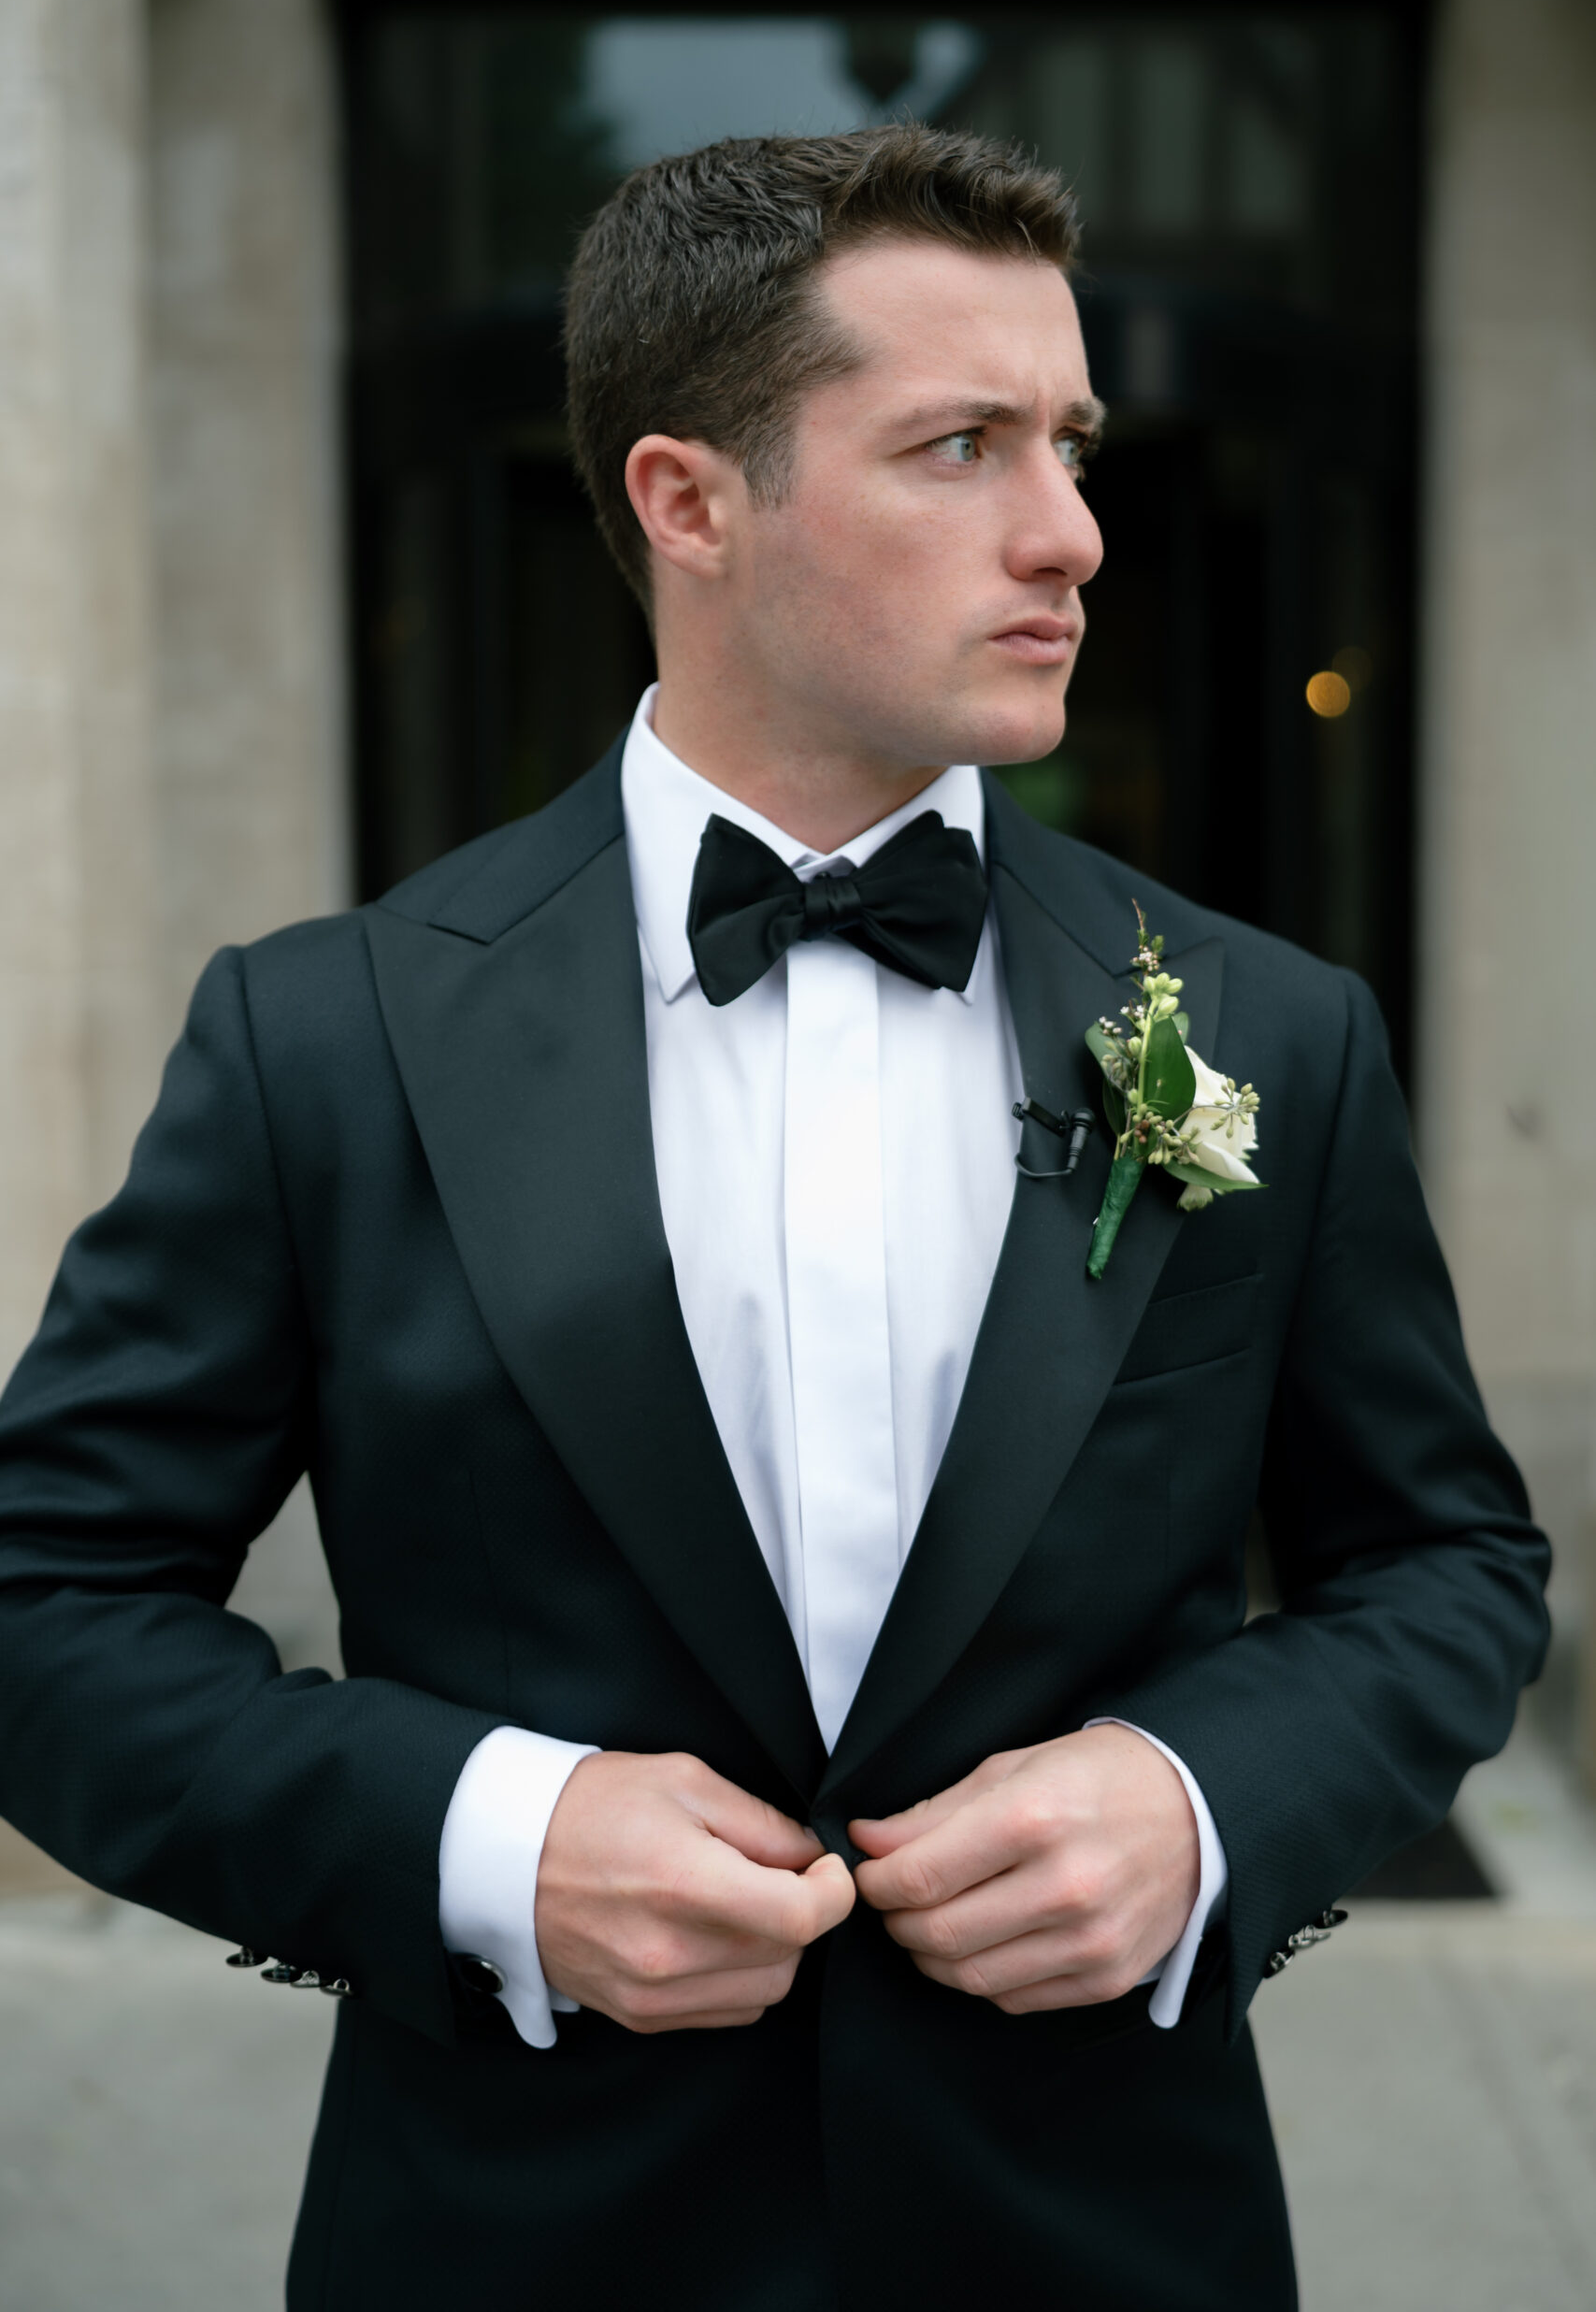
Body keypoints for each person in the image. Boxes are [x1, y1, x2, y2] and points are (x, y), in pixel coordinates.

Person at [0, 126, 1549, 2310]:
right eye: (959, 445)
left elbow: (1443, 1561)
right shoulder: (322, 1039)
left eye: (1073, 445)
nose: (1072, 533)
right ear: (687, 500)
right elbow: (46, 1602)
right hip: (517, 2245)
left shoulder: (1261, 1033)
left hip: (1106, 2239)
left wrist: (1199, 1794)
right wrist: (487, 1835)